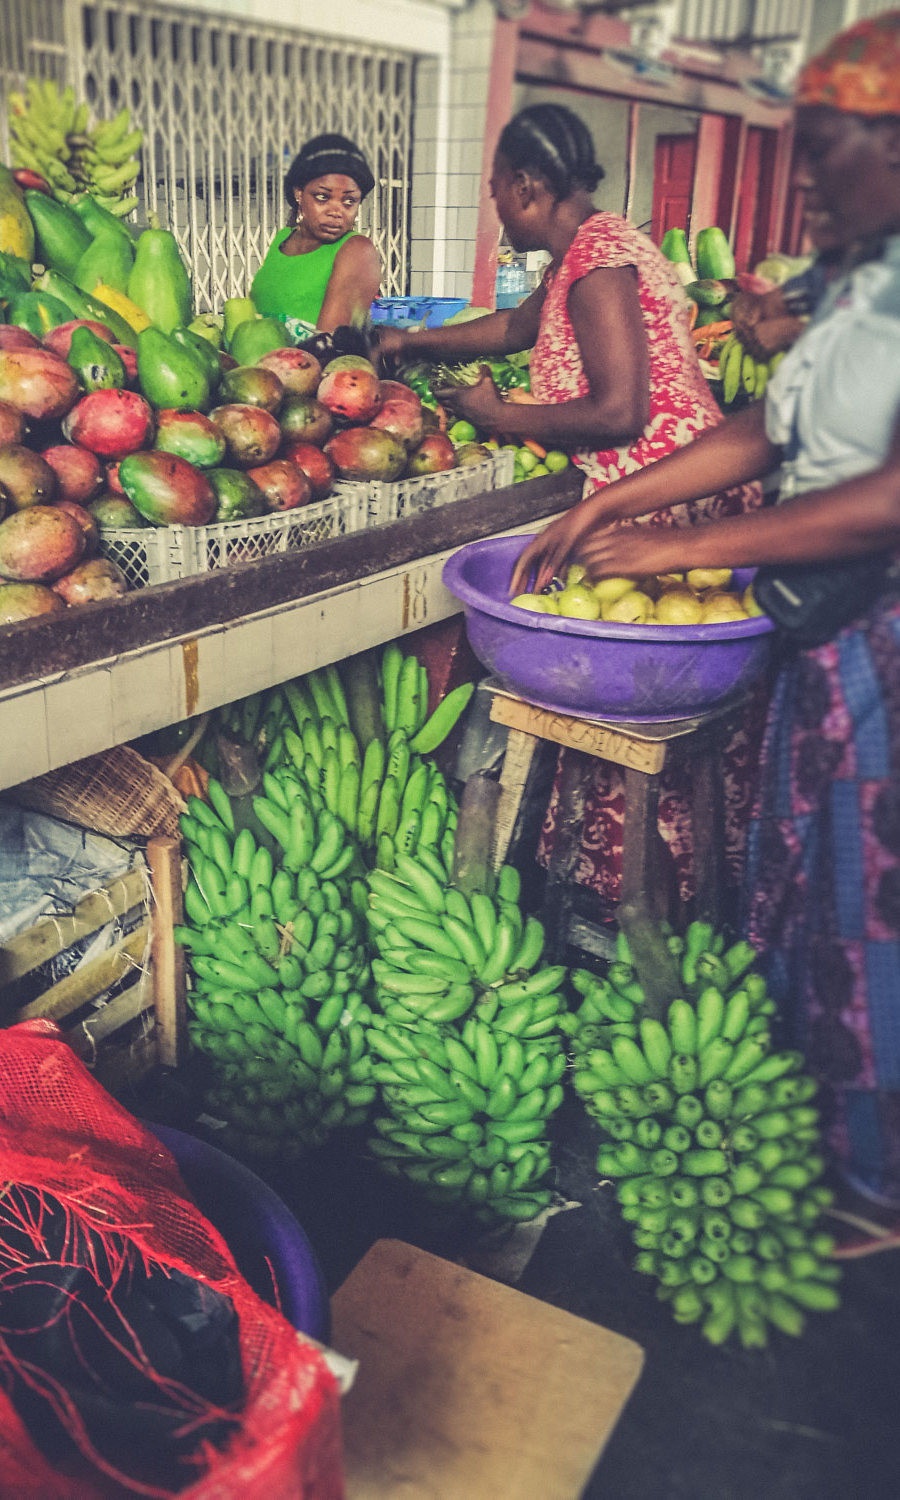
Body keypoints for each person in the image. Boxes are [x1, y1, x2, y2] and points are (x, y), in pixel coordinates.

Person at [514, 11, 900, 1241]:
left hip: (881, 629)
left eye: (823, 149)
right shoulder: (855, 276)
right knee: (806, 874)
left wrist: (682, 546)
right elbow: (767, 429)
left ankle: (879, 1180)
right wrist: (623, 498)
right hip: (815, 619)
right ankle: (825, 1128)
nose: (799, 180)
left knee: (873, 897)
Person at [381, 103, 762, 909]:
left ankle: (648, 904)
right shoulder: (583, 254)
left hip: (666, 495)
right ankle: (640, 894)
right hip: (650, 490)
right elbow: (516, 329)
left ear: (526, 186)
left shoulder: (597, 264)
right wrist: (413, 342)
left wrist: (499, 419)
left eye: (495, 193)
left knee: (645, 702)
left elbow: (621, 410)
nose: (494, 208)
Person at [249, 133, 381, 341]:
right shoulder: (283, 239)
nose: (335, 211)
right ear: (299, 193)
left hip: (310, 370)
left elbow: (328, 344)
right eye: (323, 197)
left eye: (349, 201)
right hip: (257, 368)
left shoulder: (357, 250)